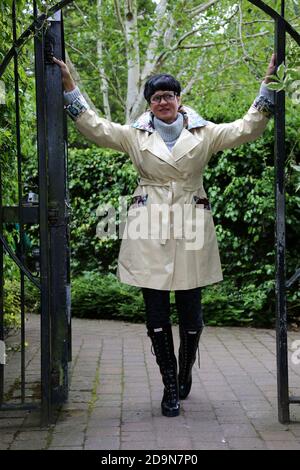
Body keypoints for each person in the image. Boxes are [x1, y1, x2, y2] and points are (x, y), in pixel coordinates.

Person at [53, 54, 276, 418]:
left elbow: (248, 127)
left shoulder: (206, 133)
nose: (164, 101)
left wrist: (269, 81)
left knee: (192, 317)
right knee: (155, 312)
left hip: (192, 225)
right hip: (148, 227)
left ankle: (185, 368)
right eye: (157, 97)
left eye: (169, 95)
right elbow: (95, 127)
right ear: (150, 104)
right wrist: (68, 84)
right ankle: (169, 386)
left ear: (179, 99)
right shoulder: (133, 135)